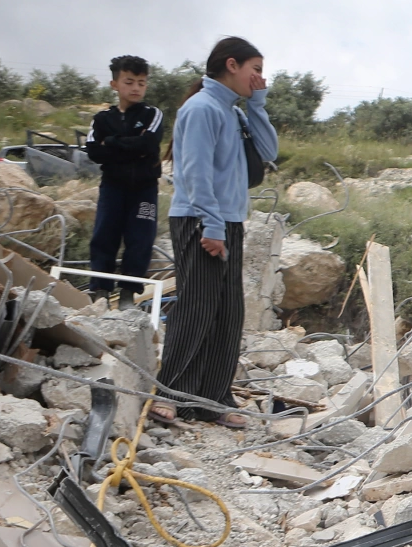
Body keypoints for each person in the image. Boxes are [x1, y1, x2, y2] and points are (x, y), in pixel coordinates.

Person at [155, 37, 276, 428]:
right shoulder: (202, 108)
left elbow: (268, 152)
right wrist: (210, 224)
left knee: (228, 311)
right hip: (199, 219)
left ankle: (212, 399)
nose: (259, 77)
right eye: (254, 69)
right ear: (231, 65)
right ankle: (170, 394)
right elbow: (194, 172)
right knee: (197, 305)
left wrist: (257, 105)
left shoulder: (235, 112)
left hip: (229, 219)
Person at [84, 54, 164, 305]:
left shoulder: (153, 114)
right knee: (104, 235)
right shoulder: (101, 118)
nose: (136, 88)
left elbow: (149, 143)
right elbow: (94, 151)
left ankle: (128, 293)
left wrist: (113, 142)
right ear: (115, 84)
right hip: (112, 186)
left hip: (145, 188)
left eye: (141, 82)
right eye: (129, 82)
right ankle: (100, 292)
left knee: (140, 238)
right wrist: (131, 146)